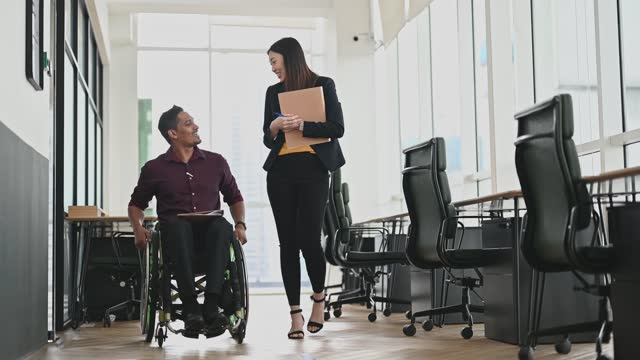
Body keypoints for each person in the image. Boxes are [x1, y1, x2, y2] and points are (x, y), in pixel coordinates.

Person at [128, 105, 248, 335]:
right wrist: (138, 228)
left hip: (211, 242)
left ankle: (211, 306)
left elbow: (235, 198)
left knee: (222, 225)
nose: (196, 126)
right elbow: (136, 205)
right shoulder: (155, 168)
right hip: (176, 241)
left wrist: (241, 225)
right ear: (173, 133)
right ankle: (191, 308)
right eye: (188, 123)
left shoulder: (216, 162)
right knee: (177, 225)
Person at [263, 37, 345, 339]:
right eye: (271, 63)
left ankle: (319, 301)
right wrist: (274, 127)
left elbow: (337, 128)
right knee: (288, 244)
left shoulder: (324, 84)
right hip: (280, 172)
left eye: (274, 61)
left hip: (313, 171)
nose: (272, 68)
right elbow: (266, 136)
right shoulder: (273, 92)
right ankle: (295, 314)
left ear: (289, 57)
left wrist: (303, 125)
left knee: (310, 240)